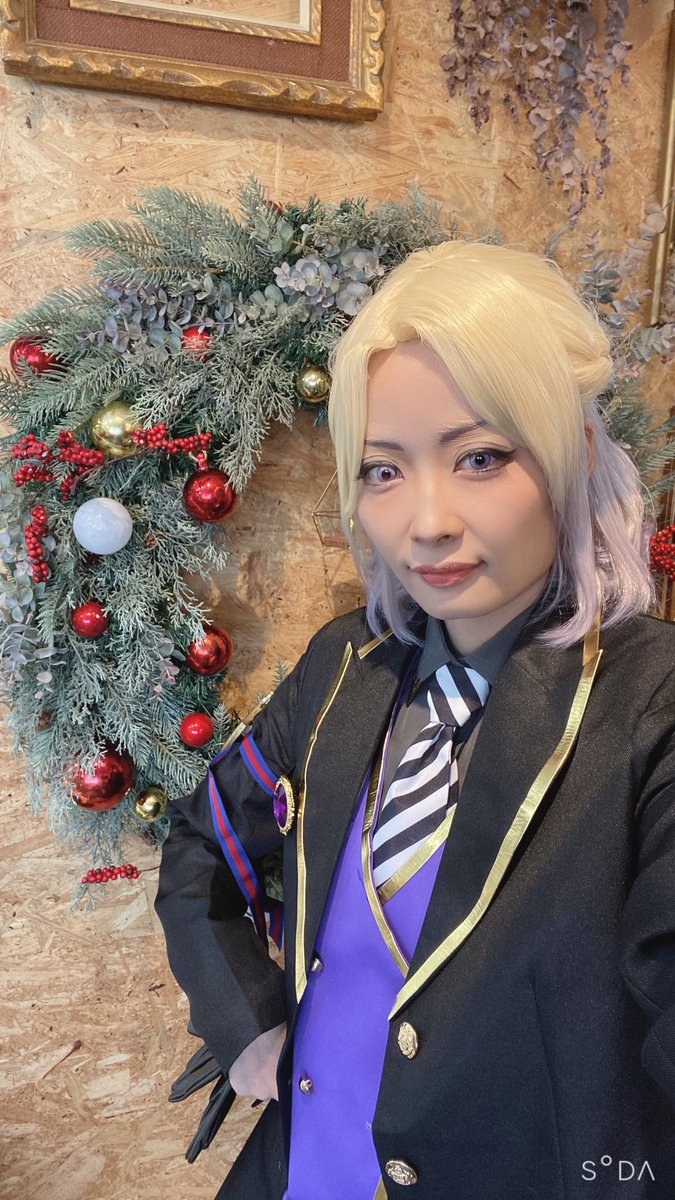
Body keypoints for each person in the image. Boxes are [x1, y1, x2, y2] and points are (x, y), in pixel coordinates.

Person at [155, 241, 675, 1200]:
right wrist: (246, 1021)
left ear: (573, 454)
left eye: (480, 458)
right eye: (382, 471)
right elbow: (203, 843)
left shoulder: (653, 712)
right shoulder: (345, 666)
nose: (425, 523)